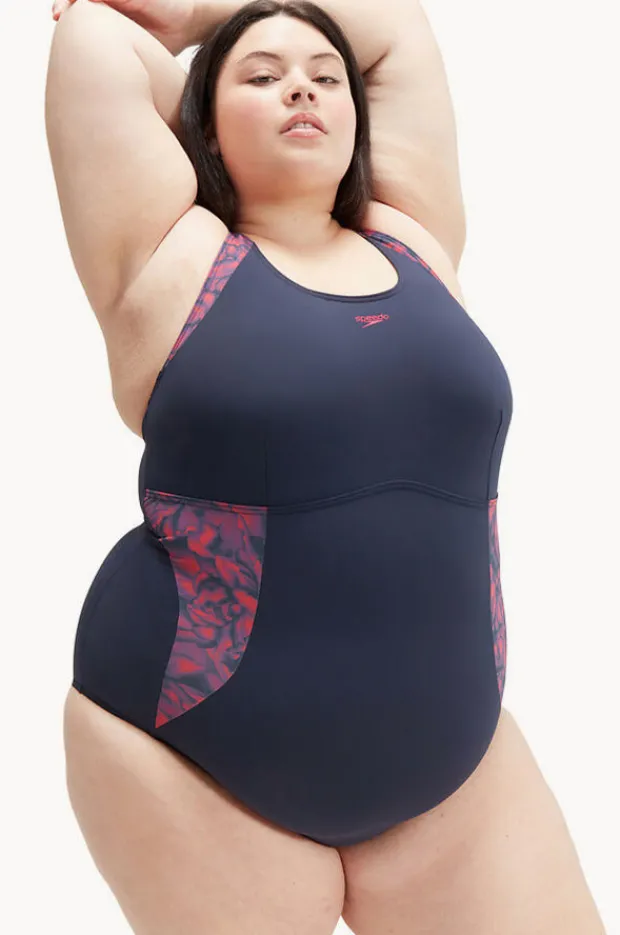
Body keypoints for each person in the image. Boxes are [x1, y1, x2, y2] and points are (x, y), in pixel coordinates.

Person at [46, 1, 605, 932]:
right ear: (200, 123)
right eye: (262, 77)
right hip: (196, 756)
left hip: (453, 767)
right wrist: (189, 30)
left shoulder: (414, 236)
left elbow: (396, 26)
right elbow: (93, 38)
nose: (301, 88)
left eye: (324, 76)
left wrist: (218, 17)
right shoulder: (171, 260)